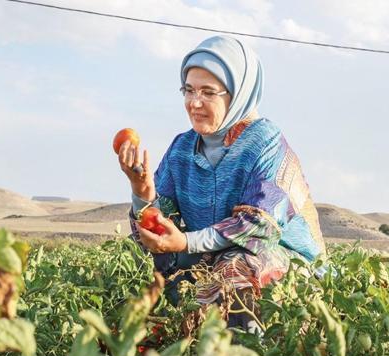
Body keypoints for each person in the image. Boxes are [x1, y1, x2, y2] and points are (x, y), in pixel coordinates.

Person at [117, 35, 325, 333]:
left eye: (208, 92)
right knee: (166, 267)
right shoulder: (182, 148)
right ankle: (191, 344)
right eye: (188, 90)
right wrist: (141, 191)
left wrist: (187, 241)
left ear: (238, 94)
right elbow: (160, 232)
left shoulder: (265, 142)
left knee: (236, 264)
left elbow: (259, 227)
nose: (194, 103)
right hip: (215, 258)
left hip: (285, 267)